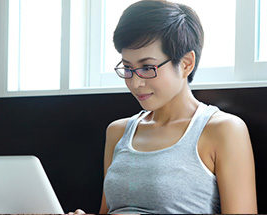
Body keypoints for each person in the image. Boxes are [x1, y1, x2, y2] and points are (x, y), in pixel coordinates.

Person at [71, 0, 257, 214]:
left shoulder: (223, 130)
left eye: (147, 67)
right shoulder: (118, 132)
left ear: (186, 63)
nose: (135, 82)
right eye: (128, 68)